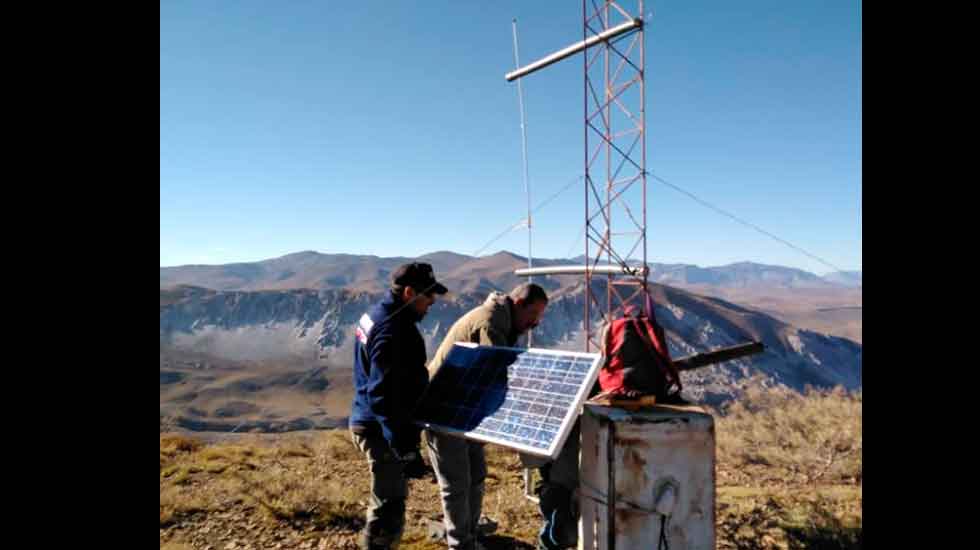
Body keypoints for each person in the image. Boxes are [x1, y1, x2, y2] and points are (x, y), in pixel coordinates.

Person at [425, 283, 577, 550]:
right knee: (457, 483)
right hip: (444, 410)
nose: (536, 323)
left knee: (476, 476)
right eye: (533, 315)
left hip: (466, 408)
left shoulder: (505, 321)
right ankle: (460, 544)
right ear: (518, 304)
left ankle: (470, 536)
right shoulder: (491, 323)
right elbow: (495, 374)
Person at [349, 262, 448, 550]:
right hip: (379, 429)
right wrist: (403, 447)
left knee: (388, 497)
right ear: (409, 292)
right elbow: (382, 396)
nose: (432, 303)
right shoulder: (394, 330)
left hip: (369, 419)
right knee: (389, 505)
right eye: (428, 296)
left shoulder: (376, 314)